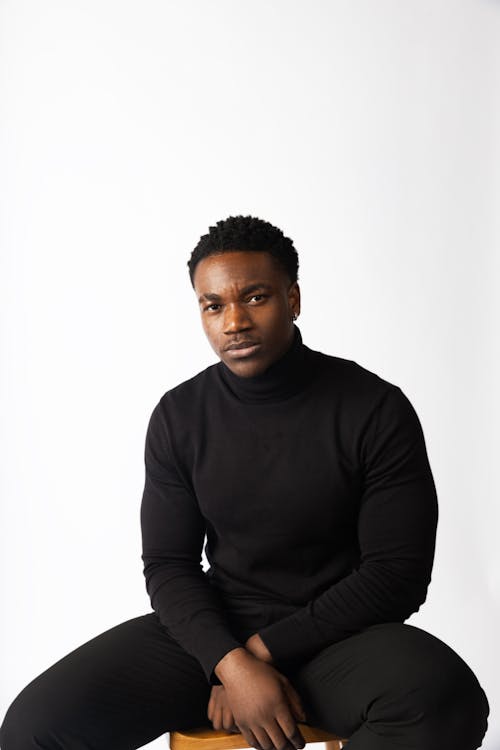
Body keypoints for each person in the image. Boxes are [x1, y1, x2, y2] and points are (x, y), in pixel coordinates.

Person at [0, 215, 489, 750]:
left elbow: (398, 573)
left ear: (293, 299)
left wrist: (257, 657)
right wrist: (227, 662)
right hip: (213, 633)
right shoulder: (179, 416)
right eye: (214, 305)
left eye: (255, 298)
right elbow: (168, 565)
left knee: (443, 697)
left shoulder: (374, 408)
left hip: (340, 639)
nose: (234, 321)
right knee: (33, 728)